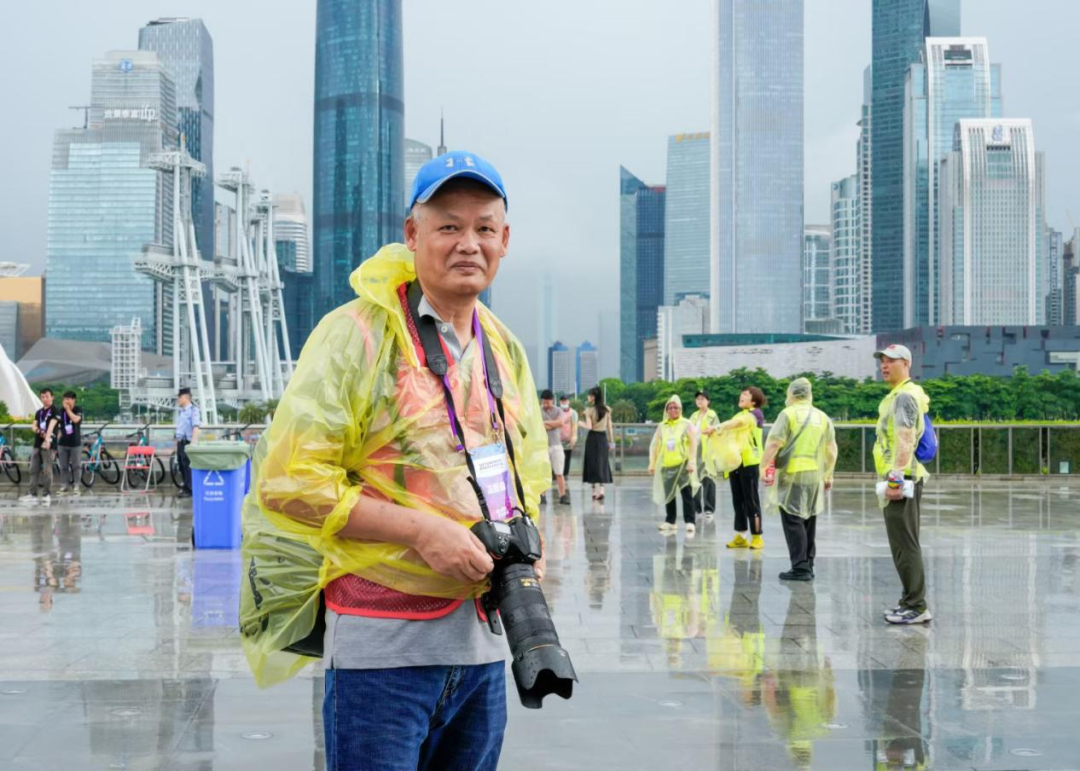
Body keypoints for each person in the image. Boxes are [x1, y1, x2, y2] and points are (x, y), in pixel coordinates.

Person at [242, 150, 549, 771]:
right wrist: (422, 530)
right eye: (448, 226)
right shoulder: (356, 333)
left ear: (505, 240)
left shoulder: (502, 346)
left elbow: (524, 473)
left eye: (484, 228)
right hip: (382, 652)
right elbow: (286, 482)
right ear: (412, 235)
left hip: (488, 646)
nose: (469, 243)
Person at [873, 344, 932, 625]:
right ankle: (909, 600)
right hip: (899, 476)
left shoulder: (905, 396)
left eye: (891, 361)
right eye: (882, 361)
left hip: (903, 477)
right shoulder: (897, 395)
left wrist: (895, 480)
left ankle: (917, 606)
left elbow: (906, 438)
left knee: (905, 543)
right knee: (901, 543)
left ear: (906, 363)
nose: (885, 365)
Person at [761, 378, 837, 582]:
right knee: (809, 519)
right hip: (814, 475)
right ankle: (808, 563)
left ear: (792, 394)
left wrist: (763, 466)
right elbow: (831, 449)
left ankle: (800, 567)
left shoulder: (788, 414)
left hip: (793, 473)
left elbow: (774, 443)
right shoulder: (822, 417)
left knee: (792, 520)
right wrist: (828, 473)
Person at [719, 387, 768, 550]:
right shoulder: (739, 414)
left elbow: (738, 424)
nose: (742, 396)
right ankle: (741, 535)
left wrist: (719, 427)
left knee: (751, 501)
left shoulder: (756, 414)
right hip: (736, 462)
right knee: (737, 500)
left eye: (746, 395)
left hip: (750, 462)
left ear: (753, 401)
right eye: (742, 394)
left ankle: (757, 536)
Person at [649, 394, 699, 538]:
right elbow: (655, 445)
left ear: (680, 409)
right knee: (669, 495)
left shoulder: (686, 424)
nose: (673, 410)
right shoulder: (662, 426)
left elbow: (693, 444)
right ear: (666, 410)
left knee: (686, 494)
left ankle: (690, 521)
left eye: (675, 407)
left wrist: (691, 461)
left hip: (682, 464)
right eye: (670, 408)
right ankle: (670, 521)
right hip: (667, 465)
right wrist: (652, 462)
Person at [21, 388, 60, 506]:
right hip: (37, 443)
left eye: (47, 396)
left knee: (47, 470)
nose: (45, 399)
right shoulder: (39, 412)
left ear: (52, 397)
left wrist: (47, 439)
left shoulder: (55, 410)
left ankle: (46, 494)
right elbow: (34, 426)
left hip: (49, 444)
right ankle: (32, 493)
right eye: (42, 397)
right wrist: (38, 430)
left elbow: (52, 425)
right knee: (33, 468)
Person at [688, 391, 721, 520]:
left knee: (708, 480)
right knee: (694, 480)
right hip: (695, 452)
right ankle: (696, 508)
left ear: (708, 401)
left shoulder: (712, 415)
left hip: (708, 452)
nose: (700, 401)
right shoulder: (693, 415)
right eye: (698, 399)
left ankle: (709, 508)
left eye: (702, 399)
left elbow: (719, 430)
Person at [582, 386, 614, 500]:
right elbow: (610, 427)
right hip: (603, 438)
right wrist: (611, 441)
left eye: (589, 395)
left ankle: (594, 492)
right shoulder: (607, 409)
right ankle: (602, 490)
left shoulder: (589, 411)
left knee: (592, 463)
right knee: (602, 463)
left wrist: (579, 423)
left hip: (592, 438)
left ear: (593, 397)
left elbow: (589, 427)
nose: (588, 397)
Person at [540, 389, 570, 505]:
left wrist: (546, 423)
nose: (545, 404)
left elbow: (561, 423)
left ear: (552, 400)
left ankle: (563, 495)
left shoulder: (558, 410)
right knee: (543, 472)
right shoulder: (539, 411)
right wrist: (554, 423)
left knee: (559, 472)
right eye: (544, 402)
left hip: (556, 445)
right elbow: (539, 426)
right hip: (543, 446)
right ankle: (542, 496)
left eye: (547, 402)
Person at [175, 387, 201, 499]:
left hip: (188, 443)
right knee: (182, 466)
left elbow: (196, 427)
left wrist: (193, 444)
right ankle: (186, 486)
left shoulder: (193, 410)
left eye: (179, 397)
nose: (178, 400)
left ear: (185, 397)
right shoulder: (182, 412)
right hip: (181, 443)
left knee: (188, 466)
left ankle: (190, 490)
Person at [56, 391, 84, 495]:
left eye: (68, 399)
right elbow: (57, 424)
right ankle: (64, 485)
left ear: (73, 400)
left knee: (76, 465)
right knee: (63, 466)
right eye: (64, 399)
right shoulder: (60, 411)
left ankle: (77, 485)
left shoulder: (78, 409)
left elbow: (76, 419)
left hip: (75, 443)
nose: (66, 401)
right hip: (62, 443)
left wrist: (68, 409)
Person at [558, 394, 579, 479]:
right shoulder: (557, 411)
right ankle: (558, 476)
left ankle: (565, 476)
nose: (564, 402)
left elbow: (574, 426)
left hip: (568, 441)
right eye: (562, 401)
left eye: (565, 401)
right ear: (560, 402)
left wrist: (573, 437)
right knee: (558, 459)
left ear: (568, 402)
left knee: (567, 459)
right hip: (557, 441)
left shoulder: (573, 413)